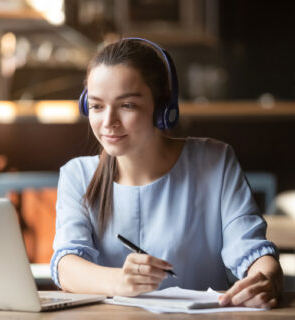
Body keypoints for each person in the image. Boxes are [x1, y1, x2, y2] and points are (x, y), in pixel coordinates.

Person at [50, 38, 283, 308]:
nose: (108, 122)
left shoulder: (215, 162)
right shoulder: (77, 174)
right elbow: (66, 266)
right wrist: (121, 282)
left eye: (127, 105)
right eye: (97, 106)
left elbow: (251, 251)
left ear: (163, 109)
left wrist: (268, 278)